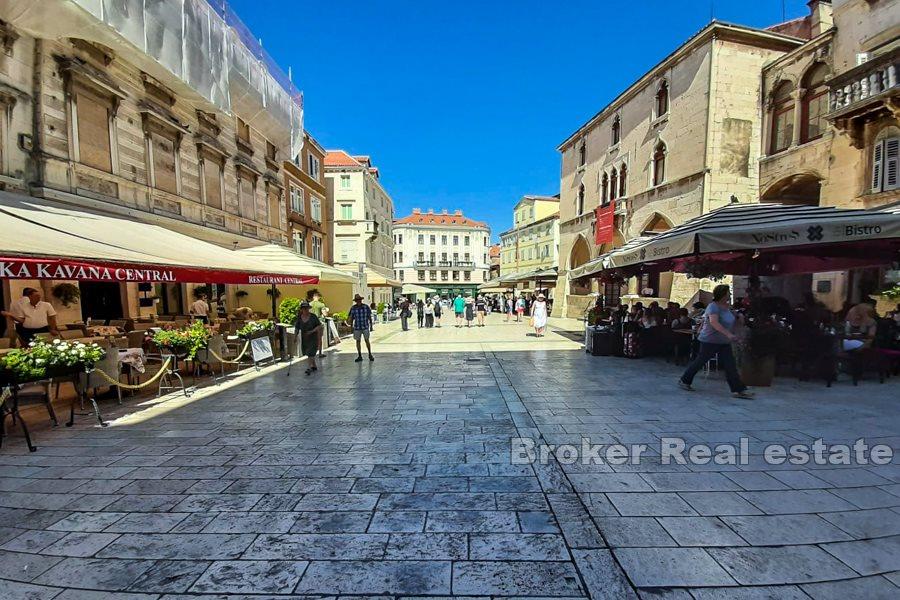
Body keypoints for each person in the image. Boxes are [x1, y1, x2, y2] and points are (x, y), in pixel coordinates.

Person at [679, 284, 753, 399]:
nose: (730, 294)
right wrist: (729, 334)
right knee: (700, 361)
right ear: (722, 294)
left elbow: (732, 317)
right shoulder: (713, 307)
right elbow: (714, 322)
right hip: (710, 340)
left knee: (730, 365)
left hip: (724, 341)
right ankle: (684, 380)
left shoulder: (727, 307)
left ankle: (738, 390)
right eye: (728, 292)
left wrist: (739, 316)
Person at [293, 301, 323, 375]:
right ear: (301, 309)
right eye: (304, 308)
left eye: (307, 308)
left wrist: (312, 331)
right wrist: (295, 336)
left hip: (313, 338)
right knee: (309, 353)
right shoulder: (299, 318)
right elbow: (297, 328)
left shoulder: (313, 317)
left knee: (310, 353)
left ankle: (308, 368)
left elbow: (319, 326)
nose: (305, 310)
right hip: (305, 338)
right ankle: (314, 366)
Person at [347, 294, 375, 362]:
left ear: (361, 300)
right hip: (357, 327)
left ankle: (370, 354)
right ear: (356, 301)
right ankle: (359, 355)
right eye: (357, 300)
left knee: (367, 340)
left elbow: (369, 317)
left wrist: (371, 326)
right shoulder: (353, 308)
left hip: (365, 326)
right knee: (358, 341)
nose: (358, 301)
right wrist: (351, 327)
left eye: (359, 300)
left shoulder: (366, 307)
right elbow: (351, 318)